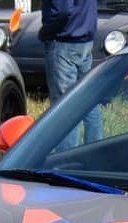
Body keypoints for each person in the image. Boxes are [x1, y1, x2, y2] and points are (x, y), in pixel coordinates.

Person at [38, 0, 102, 147]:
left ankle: (66, 156)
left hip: (64, 41)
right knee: (88, 100)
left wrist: (45, 31)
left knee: (64, 106)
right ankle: (95, 150)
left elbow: (63, 11)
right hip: (84, 38)